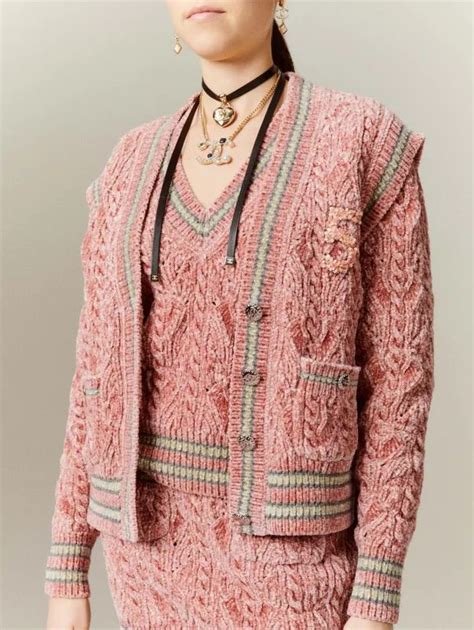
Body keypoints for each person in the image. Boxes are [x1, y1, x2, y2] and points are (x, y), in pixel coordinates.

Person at [45, 1, 435, 629]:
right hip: (145, 559)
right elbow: (94, 371)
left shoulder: (360, 142)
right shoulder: (129, 162)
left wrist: (376, 595)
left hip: (296, 562)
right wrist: (68, 565)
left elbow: (400, 382)